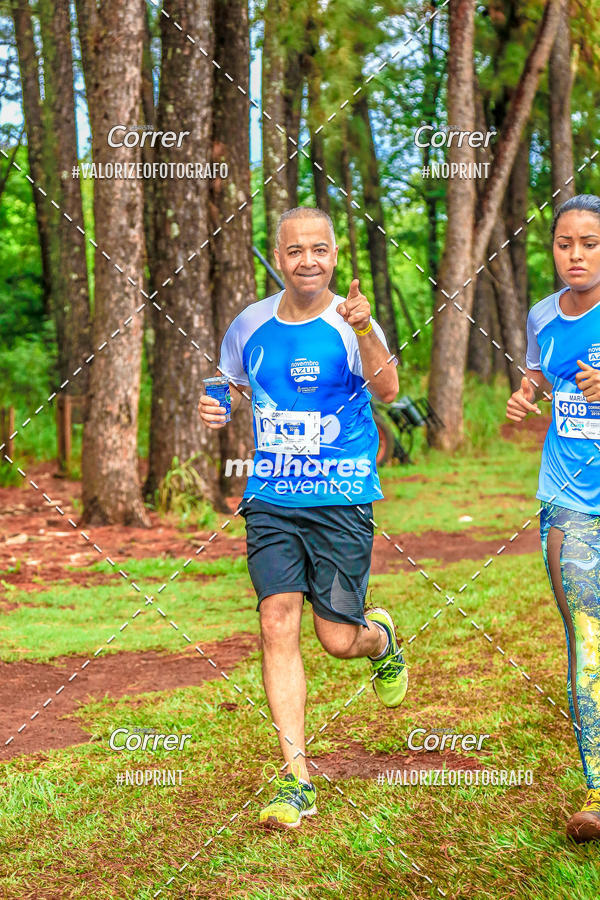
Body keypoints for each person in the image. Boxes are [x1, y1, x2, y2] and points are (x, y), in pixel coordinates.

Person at [198, 206, 407, 829]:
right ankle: (296, 780)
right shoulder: (250, 323)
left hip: (341, 496)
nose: (308, 261)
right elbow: (229, 380)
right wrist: (216, 405)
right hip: (271, 498)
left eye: (319, 250)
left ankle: (379, 639)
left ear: (335, 256)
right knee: (276, 618)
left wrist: (367, 329)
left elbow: (389, 389)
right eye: (295, 251)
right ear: (278, 255)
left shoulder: (350, 323)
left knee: (337, 639)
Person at [506, 193, 600, 843]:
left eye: (590, 243)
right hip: (570, 502)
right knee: (589, 640)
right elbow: (540, 376)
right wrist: (525, 395)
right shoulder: (543, 315)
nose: (576, 254)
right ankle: (599, 788)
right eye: (565, 243)